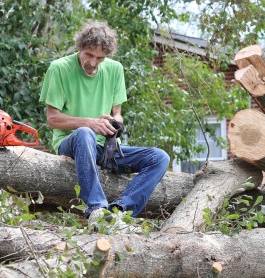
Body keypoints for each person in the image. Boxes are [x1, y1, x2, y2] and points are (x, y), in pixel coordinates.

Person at [39, 20, 170, 222]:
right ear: (80, 48)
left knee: (159, 157)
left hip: (106, 149)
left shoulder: (115, 69)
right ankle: (97, 208)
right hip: (72, 145)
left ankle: (120, 211)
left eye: (100, 57)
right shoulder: (59, 68)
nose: (93, 62)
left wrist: (113, 122)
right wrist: (89, 123)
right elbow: (53, 120)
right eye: (89, 55)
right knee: (85, 133)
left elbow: (118, 113)